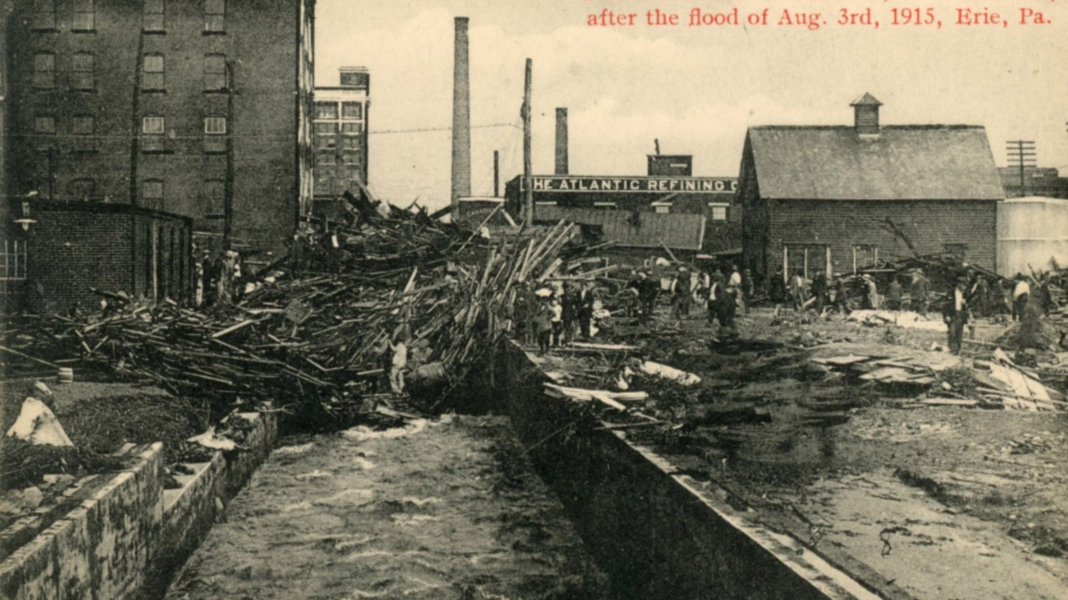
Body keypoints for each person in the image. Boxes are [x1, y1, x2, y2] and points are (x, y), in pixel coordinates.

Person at [943, 277, 969, 355]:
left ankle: (958, 350)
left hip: (961, 314)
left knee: (959, 333)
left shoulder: (965, 294)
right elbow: (945, 305)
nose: (964, 287)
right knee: (952, 332)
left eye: (965, 286)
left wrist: (965, 304)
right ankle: (952, 349)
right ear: (959, 284)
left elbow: (968, 306)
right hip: (953, 314)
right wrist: (947, 315)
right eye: (963, 285)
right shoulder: (951, 293)